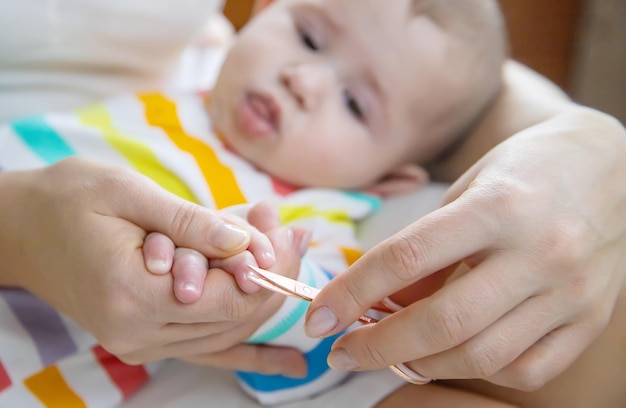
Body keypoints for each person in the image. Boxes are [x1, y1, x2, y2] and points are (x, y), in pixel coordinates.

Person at [0, 0, 624, 407]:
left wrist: (266, 300)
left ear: (390, 180)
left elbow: (315, 344)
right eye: (306, 34)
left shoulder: (318, 220)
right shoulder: (179, 72)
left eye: (355, 104)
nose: (305, 79)